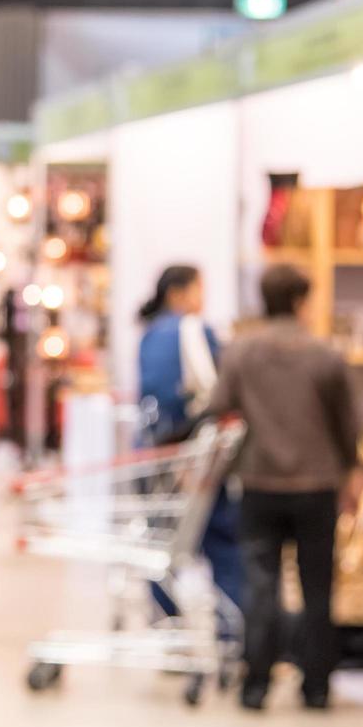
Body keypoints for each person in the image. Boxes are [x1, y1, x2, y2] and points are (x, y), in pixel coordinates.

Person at [207, 265, 361, 712]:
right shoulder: (325, 354)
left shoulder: (241, 352)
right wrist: (352, 472)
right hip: (316, 484)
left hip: (259, 482)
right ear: (299, 301)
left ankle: (255, 684)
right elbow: (346, 424)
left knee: (261, 585)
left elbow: (219, 405)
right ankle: (316, 687)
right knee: (317, 587)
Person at [136, 265, 244, 620]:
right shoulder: (194, 329)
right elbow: (218, 395)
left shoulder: (149, 334)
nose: (203, 299)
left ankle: (167, 621)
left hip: (155, 457)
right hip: (195, 458)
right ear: (178, 293)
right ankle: (234, 628)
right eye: (199, 290)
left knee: (162, 541)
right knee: (222, 542)